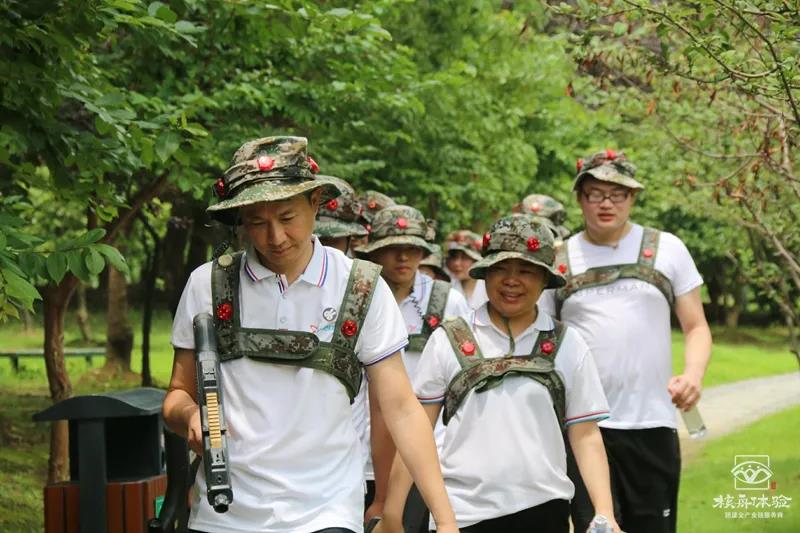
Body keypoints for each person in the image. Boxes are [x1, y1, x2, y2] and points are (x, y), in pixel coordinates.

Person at [163, 136, 458, 533]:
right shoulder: (209, 285)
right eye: (257, 222)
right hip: (225, 514)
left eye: (287, 218)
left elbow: (402, 408)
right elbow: (177, 395)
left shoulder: (359, 286)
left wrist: (445, 520)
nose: (275, 237)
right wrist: (190, 414)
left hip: (325, 509)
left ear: (315, 201)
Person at [376, 214, 619, 533]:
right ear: (486, 273)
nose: (511, 280)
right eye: (501, 269)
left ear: (545, 280)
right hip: (462, 513)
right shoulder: (450, 339)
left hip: (545, 509)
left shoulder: (567, 344)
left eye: (526, 271)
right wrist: (393, 512)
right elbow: (416, 429)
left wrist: (605, 512)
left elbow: (585, 434)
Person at [539, 149, 712, 533]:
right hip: (582, 425)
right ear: (579, 197)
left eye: (617, 194)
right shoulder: (559, 260)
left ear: (632, 197)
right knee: (596, 527)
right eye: (595, 193)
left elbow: (696, 326)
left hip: (651, 422)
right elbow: (542, 340)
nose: (606, 203)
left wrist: (694, 375)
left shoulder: (667, 249)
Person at [358, 205, 471, 532]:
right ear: (375, 251)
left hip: (426, 451)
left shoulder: (447, 301)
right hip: (360, 451)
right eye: (393, 248)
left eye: (412, 248)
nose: (403, 257)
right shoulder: (357, 296)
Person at [443, 230, 488, 309]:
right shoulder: (445, 287)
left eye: (464, 258)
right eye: (454, 257)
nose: (456, 263)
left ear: (476, 261)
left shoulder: (488, 289)